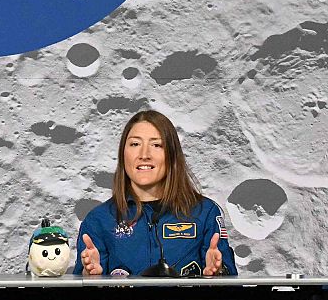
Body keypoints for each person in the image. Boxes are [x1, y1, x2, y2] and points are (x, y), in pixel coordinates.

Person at [76, 110, 236, 277]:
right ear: (123, 154)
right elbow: (81, 297)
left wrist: (218, 272)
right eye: (135, 144)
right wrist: (89, 276)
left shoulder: (205, 213)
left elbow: (232, 288)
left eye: (156, 145)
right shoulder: (99, 220)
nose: (144, 155)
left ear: (172, 155)